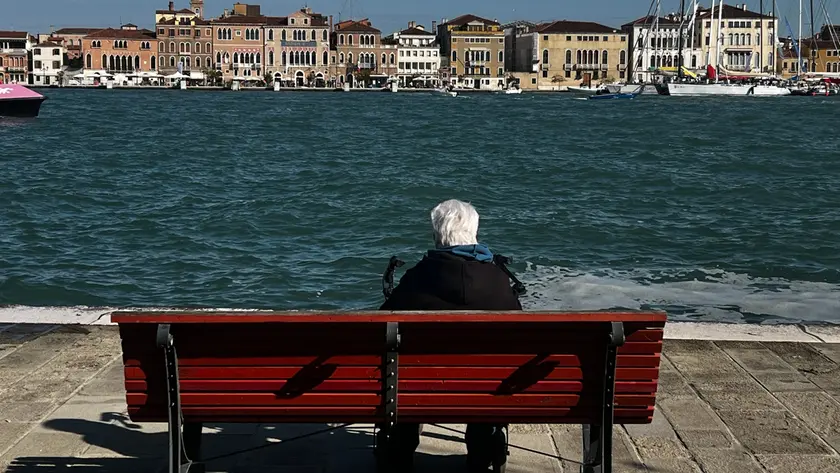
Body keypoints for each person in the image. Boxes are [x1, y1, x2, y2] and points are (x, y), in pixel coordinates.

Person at [379, 199, 522, 472]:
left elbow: (382, 324)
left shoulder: (416, 278)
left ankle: (400, 452)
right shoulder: (498, 281)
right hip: (488, 390)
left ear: (436, 234)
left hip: (416, 388)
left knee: (404, 374)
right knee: (485, 373)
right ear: (474, 232)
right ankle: (482, 451)